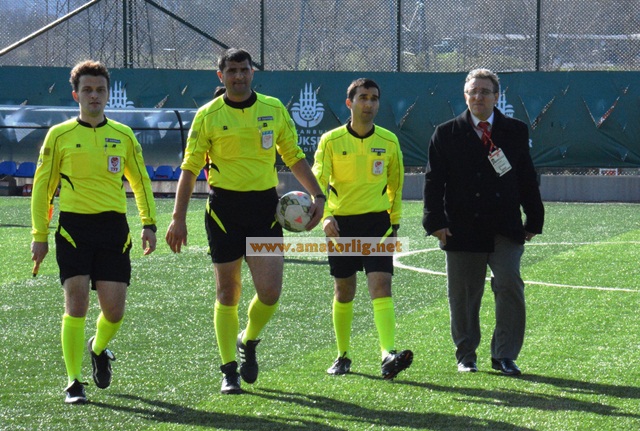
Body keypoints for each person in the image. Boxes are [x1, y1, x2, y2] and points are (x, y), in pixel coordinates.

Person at [165, 48, 325, 394]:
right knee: (228, 292)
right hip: (224, 212)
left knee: (270, 292)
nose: (238, 76)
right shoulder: (207, 115)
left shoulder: (273, 108)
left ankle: (248, 339)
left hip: (265, 210)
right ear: (220, 76)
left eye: (244, 69)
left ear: (253, 72)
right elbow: (190, 169)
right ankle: (228, 370)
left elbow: (293, 156)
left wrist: (318, 195)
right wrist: (178, 217)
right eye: (232, 70)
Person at [30, 60, 157, 404]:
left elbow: (140, 181)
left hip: (114, 230)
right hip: (74, 229)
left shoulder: (124, 135)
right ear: (76, 95)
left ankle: (98, 347)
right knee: (76, 304)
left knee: (114, 312)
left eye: (100, 89)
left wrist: (148, 223)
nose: (94, 95)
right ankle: (74, 382)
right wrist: (40, 235)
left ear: (108, 94)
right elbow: (42, 188)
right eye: (87, 89)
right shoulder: (59, 136)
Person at [422, 68, 544, 376]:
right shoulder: (445, 133)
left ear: (496, 97)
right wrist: (434, 222)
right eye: (473, 91)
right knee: (464, 294)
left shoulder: (515, 130)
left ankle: (505, 355)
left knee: (509, 283)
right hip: (461, 228)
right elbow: (433, 182)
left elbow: (526, 176)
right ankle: (466, 355)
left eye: (485, 91)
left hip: (506, 226)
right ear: (465, 96)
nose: (479, 96)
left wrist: (534, 218)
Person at [313, 78, 413, 380]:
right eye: (363, 98)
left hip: (377, 224)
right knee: (344, 291)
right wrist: (325, 217)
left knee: (381, 285)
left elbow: (396, 186)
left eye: (374, 98)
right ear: (350, 103)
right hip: (341, 225)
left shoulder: (389, 141)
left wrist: (394, 223)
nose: (369, 104)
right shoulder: (330, 141)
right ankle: (343, 355)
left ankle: (388, 355)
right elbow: (318, 182)